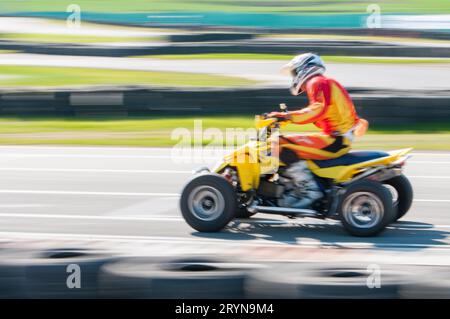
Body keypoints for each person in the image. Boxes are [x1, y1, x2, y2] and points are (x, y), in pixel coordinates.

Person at [268, 53, 368, 208]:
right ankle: (298, 184)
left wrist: (285, 116)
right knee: (287, 139)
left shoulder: (317, 82)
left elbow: (317, 110)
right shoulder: (323, 83)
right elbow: (321, 116)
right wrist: (287, 119)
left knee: (279, 144)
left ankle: (309, 191)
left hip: (335, 140)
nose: (294, 77)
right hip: (338, 137)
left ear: (304, 68)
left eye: (294, 72)